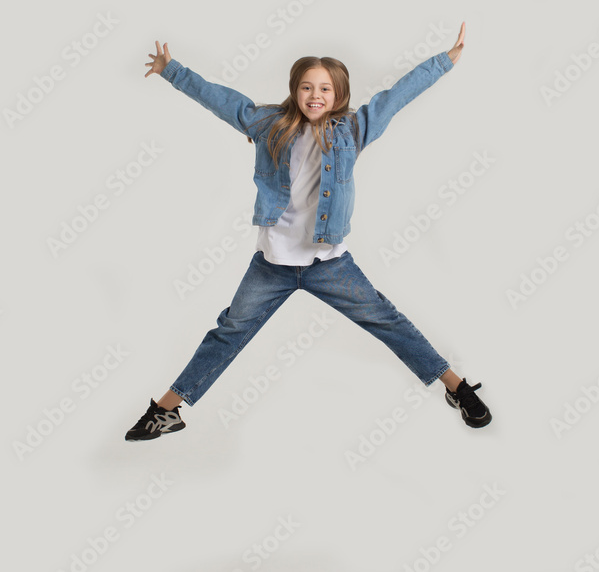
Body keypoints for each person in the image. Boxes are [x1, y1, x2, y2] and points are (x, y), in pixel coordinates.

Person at [125, 22, 490, 442]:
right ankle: (166, 412)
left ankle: (457, 388)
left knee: (388, 321)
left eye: (325, 89)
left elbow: (396, 97)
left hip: (329, 264)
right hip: (273, 265)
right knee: (228, 332)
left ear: (338, 96)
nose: (315, 96)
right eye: (306, 87)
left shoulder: (352, 131)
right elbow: (221, 100)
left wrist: (443, 62)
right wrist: (173, 70)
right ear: (295, 91)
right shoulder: (268, 125)